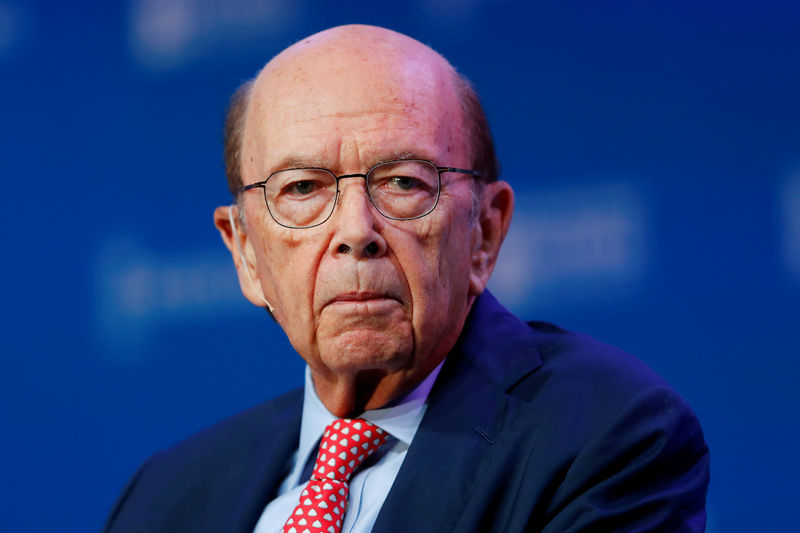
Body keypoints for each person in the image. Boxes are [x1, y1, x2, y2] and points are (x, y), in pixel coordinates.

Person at [103, 24, 709, 533]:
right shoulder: (164, 500)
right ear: (246, 255)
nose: (355, 231)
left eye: (402, 182)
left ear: (485, 232)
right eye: (303, 189)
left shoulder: (604, 438)